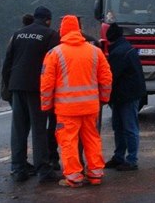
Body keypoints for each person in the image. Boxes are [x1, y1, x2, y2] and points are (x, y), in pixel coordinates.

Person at [40, 15, 112, 188]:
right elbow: (106, 78)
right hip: (90, 107)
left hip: (67, 109)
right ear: (79, 30)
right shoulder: (95, 51)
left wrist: (46, 105)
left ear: (62, 31)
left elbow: (47, 83)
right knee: (92, 139)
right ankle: (95, 174)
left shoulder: (55, 53)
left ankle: (74, 176)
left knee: (68, 142)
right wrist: (103, 98)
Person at [2, 6, 60, 183]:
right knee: (39, 129)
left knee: (19, 129)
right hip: (38, 87)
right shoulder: (50, 35)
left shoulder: (18, 33)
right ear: (48, 20)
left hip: (17, 85)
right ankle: (43, 169)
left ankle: (18, 168)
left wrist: (8, 87)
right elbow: (53, 64)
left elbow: (8, 62)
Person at [104, 23, 146, 171]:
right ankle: (121, 157)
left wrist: (103, 95)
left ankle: (130, 159)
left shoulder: (118, 53)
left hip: (125, 96)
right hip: (127, 94)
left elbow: (110, 77)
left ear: (110, 38)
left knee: (126, 127)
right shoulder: (126, 48)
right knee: (123, 127)